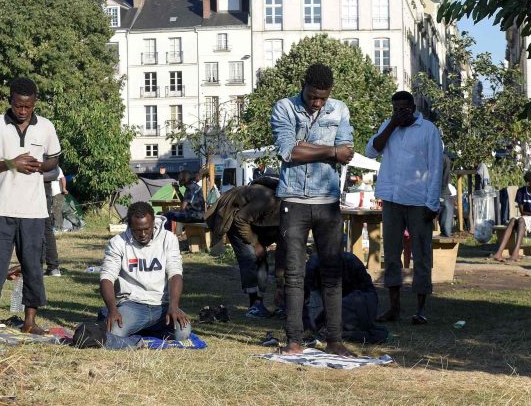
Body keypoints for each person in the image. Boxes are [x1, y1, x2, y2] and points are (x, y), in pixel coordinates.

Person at [271, 63, 355, 356]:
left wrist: (307, 147)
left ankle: (334, 339)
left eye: (322, 97)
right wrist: (330, 150)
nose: (316, 102)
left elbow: (348, 151)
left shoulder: (340, 109)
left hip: (328, 202)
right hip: (293, 200)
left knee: (333, 272)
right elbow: (287, 151)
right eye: (312, 96)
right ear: (303, 85)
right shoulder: (284, 108)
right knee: (293, 274)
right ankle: (294, 339)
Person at [0, 77, 61, 334]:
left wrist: (38, 165)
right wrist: (11, 163)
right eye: (18, 105)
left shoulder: (46, 127)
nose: (22, 111)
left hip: (34, 211)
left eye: (28, 106)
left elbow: (53, 161)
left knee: (32, 265)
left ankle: (30, 321)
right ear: (10, 100)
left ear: (35, 103)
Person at [366, 91, 442, 325]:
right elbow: (371, 151)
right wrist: (391, 125)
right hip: (391, 198)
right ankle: (394, 307)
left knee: (421, 254)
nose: (400, 112)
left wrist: (432, 203)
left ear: (413, 107)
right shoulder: (388, 127)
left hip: (419, 201)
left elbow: (436, 167)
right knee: (391, 254)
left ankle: (420, 309)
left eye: (404, 109)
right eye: (396, 109)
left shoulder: (428, 129)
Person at [99, 202, 190, 350]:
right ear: (130, 226)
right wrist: (112, 309)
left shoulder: (169, 239)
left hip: (163, 306)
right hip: (133, 304)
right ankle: (114, 316)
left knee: (183, 333)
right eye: (137, 230)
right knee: (114, 331)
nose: (142, 234)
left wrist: (174, 306)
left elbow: (175, 274)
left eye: (146, 229)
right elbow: (106, 278)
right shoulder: (117, 242)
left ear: (153, 223)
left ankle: (141, 327)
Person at [205, 176, 284, 318]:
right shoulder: (270, 201)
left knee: (262, 258)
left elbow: (283, 254)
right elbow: (240, 219)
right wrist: (256, 243)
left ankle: (264, 303)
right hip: (236, 218)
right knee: (251, 257)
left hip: (253, 221)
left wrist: (280, 285)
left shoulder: (291, 217)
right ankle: (254, 306)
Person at [304, 252, 388, 344]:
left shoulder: (350, 261)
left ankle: (344, 332)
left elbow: (368, 296)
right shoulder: (313, 266)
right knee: (313, 323)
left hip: (357, 298)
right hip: (327, 295)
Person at [492, 171, 531, 262]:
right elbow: (523, 212)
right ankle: (499, 253)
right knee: (513, 220)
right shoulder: (521, 192)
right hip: (530, 217)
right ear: (528, 183)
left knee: (521, 220)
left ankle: (515, 253)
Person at [42, 166, 64, 276]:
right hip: (45, 195)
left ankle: (53, 267)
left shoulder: (50, 161)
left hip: (44, 196)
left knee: (45, 230)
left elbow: (56, 173)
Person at [439, 151, 456, 238]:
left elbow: (444, 176)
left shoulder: (442, 158)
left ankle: (445, 233)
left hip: (444, 191)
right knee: (444, 213)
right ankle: (445, 233)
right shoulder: (444, 158)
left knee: (445, 214)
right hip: (444, 190)